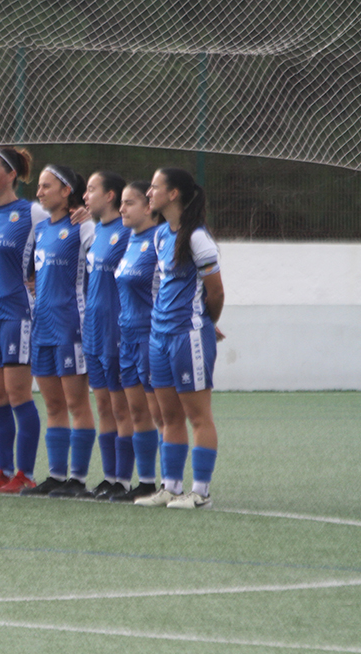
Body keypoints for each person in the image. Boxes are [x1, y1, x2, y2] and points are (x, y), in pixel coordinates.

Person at [135, 168, 224, 509]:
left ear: (173, 194)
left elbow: (216, 293)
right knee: (168, 416)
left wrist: (204, 323)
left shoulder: (198, 238)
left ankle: (200, 492)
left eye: (154, 187)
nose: (149, 193)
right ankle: (170, 487)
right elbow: (160, 287)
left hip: (188, 337)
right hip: (159, 337)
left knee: (198, 416)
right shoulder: (160, 236)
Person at [0, 146, 48, 494]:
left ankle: (25, 474)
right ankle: (2, 472)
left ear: (11, 175)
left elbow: (59, 244)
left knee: (19, 396)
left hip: (16, 314)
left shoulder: (31, 212)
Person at [22, 164, 98, 499]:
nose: (39, 192)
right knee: (52, 405)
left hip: (71, 327)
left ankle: (77, 479)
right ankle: (56, 475)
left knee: (76, 403)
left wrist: (91, 217)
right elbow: (31, 276)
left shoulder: (81, 226)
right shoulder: (40, 230)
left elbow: (100, 265)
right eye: (39, 186)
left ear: (66, 191)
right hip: (43, 328)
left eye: (46, 186)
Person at [112, 180, 165, 502]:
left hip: (150, 336)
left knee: (160, 414)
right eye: (120, 202)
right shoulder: (129, 240)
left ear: (148, 206)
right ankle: (145, 482)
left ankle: (169, 482)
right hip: (126, 337)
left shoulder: (160, 240)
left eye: (129, 203)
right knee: (136, 412)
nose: (122, 209)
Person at [81, 171, 132, 499]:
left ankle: (125, 481)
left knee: (120, 407)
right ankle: (110, 477)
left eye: (91, 190)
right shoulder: (96, 231)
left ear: (110, 195)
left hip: (116, 330)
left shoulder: (126, 233)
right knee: (102, 406)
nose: (85, 196)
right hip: (93, 331)